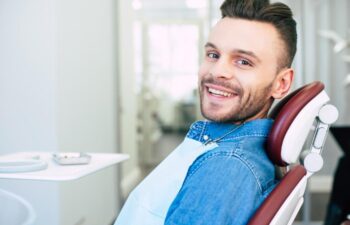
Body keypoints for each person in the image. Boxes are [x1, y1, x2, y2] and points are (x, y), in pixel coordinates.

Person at [115, 0, 297, 224]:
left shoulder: (226, 167)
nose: (218, 71)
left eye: (243, 61)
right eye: (213, 54)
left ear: (281, 83)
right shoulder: (227, 150)